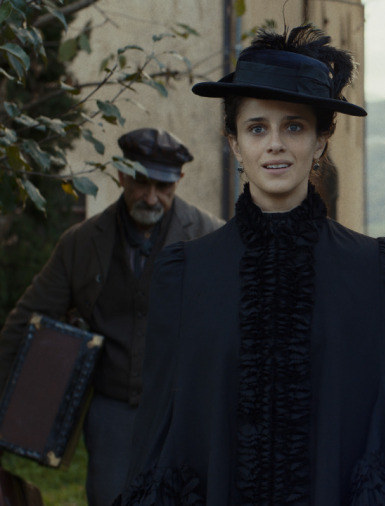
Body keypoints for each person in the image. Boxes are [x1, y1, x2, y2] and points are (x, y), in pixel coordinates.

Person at [117, 25, 385, 505]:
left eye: (293, 126)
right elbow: (158, 434)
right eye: (257, 128)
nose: (274, 143)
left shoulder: (374, 270)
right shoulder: (185, 274)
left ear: (320, 141)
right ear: (235, 144)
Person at [0, 127, 224, 506]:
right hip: (112, 413)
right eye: (140, 182)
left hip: (184, 413)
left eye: (163, 187)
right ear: (121, 174)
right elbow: (25, 322)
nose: (151, 197)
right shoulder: (81, 242)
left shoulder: (211, 237)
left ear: (179, 180)